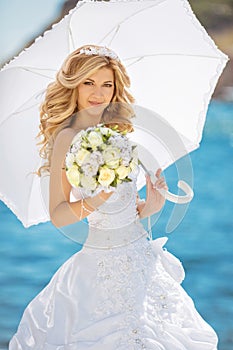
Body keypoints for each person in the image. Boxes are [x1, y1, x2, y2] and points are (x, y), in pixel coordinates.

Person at [9, 45, 218, 349]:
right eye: (88, 83)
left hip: (141, 261)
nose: (98, 93)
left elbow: (126, 207)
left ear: (115, 88)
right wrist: (95, 200)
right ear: (75, 86)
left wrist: (150, 206)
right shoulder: (66, 139)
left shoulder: (117, 135)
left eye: (107, 84)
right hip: (99, 270)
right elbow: (58, 214)